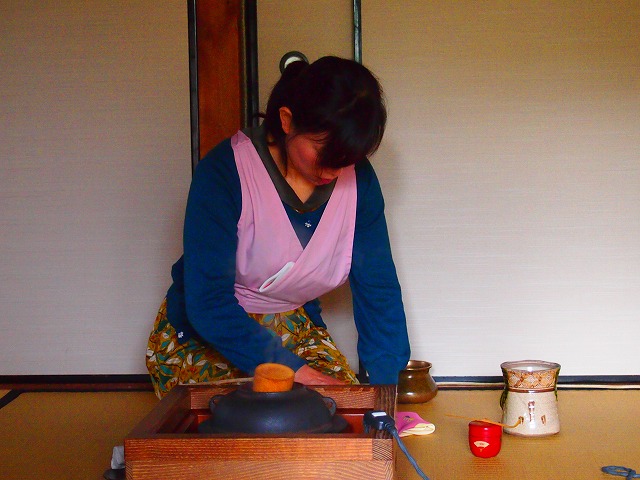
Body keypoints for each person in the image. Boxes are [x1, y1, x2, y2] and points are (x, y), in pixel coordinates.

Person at [146, 56, 410, 399]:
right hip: (208, 333)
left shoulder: (359, 182)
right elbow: (207, 302)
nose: (334, 171)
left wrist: (382, 395)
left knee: (338, 414)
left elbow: (379, 292)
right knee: (245, 418)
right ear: (287, 120)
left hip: (295, 329)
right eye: (324, 152)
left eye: (347, 159)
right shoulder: (226, 171)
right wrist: (301, 375)